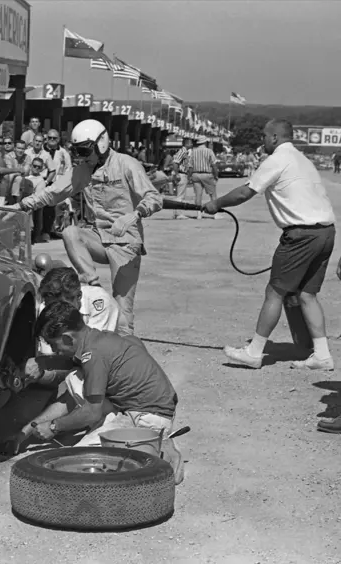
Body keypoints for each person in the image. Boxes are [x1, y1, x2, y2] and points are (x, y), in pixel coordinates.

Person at [8, 119, 163, 336]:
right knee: (71, 232)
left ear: (101, 144)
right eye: (78, 152)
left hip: (126, 243)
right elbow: (52, 192)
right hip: (98, 237)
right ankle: (94, 286)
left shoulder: (126, 164)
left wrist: (134, 215)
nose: (82, 156)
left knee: (122, 315)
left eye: (84, 151)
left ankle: (124, 355)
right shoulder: (83, 170)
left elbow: (154, 197)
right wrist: (20, 206)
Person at [204, 119, 336, 371]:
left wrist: (216, 203)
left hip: (301, 234)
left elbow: (246, 192)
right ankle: (322, 354)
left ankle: (254, 352)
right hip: (326, 232)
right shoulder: (302, 160)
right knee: (307, 294)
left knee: (275, 292)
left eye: (264, 136)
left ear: (275, 137)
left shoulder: (277, 159)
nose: (261, 141)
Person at [18, 301, 184, 484]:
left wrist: (54, 427)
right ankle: (153, 440)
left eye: (53, 345)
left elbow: (91, 412)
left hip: (149, 417)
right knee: (76, 377)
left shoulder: (93, 355)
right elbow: (68, 399)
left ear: (66, 338)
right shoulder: (99, 339)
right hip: (137, 410)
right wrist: (26, 431)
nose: (54, 351)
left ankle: (159, 443)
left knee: (79, 463)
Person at [188, 136, 220, 220]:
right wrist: (216, 175)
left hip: (195, 174)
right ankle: (215, 214)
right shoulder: (209, 151)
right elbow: (213, 164)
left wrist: (189, 176)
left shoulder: (193, 152)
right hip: (207, 174)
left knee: (198, 195)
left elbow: (190, 166)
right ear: (205, 142)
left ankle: (199, 213)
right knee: (212, 194)